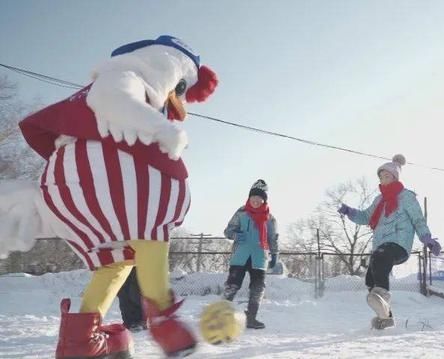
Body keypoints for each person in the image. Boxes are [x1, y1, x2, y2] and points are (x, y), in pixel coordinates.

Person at [16, 35, 218, 358]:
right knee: (154, 214)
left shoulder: (140, 85)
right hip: (99, 177)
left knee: (117, 261)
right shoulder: (128, 72)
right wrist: (162, 129)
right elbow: (112, 98)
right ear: (166, 64)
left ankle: (79, 341)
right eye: (179, 87)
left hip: (78, 188)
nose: (177, 98)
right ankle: (164, 319)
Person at [338, 154, 441, 329]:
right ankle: (386, 316)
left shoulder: (406, 196)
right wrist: (350, 212)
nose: (384, 179)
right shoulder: (379, 200)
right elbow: (365, 216)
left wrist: (427, 238)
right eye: (381, 177)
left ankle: (383, 298)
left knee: (381, 256)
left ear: (395, 177)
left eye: (387, 176)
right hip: (381, 246)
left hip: (399, 244)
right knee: (371, 279)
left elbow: (418, 219)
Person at [222, 179, 279, 329]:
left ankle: (251, 318)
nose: (255, 201)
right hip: (240, 256)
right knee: (232, 285)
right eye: (253, 198)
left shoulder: (270, 219)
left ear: (264, 200)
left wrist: (275, 254)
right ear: (249, 198)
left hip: (260, 258)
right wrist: (235, 235)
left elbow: (273, 238)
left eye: (259, 198)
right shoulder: (241, 213)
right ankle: (221, 315)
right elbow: (227, 231)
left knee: (257, 288)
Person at [116, 268, 146, 332]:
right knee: (123, 291)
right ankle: (129, 322)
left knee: (134, 290)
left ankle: (139, 321)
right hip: (123, 263)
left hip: (136, 262)